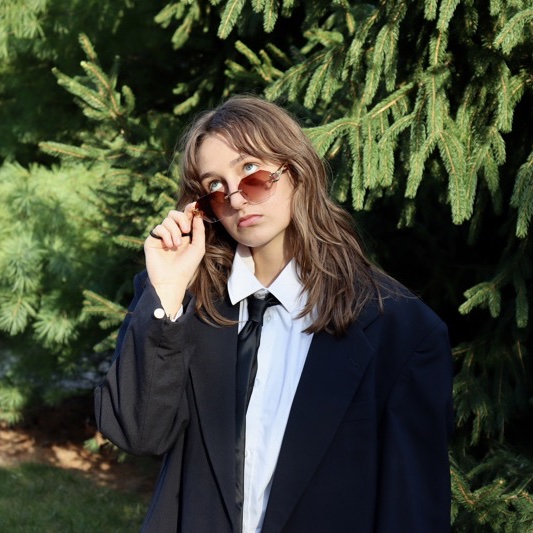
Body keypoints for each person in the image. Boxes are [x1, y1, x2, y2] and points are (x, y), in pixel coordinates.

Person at [94, 95, 454, 533]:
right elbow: (137, 433)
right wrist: (167, 295)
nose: (237, 199)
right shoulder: (183, 304)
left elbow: (412, 511)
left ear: (297, 170)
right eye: (215, 187)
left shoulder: (400, 330)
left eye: (251, 172)